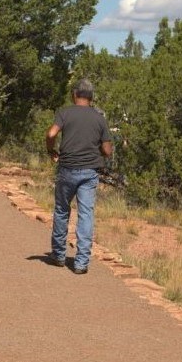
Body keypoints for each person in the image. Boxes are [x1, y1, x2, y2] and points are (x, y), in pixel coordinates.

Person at [45, 78, 112, 274]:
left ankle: (58, 254)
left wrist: (51, 151)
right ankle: (81, 263)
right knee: (85, 215)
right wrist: (95, 149)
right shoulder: (99, 118)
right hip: (89, 171)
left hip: (67, 168)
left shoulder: (64, 113)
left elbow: (51, 134)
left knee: (61, 211)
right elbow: (107, 150)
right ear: (91, 97)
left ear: (74, 94)